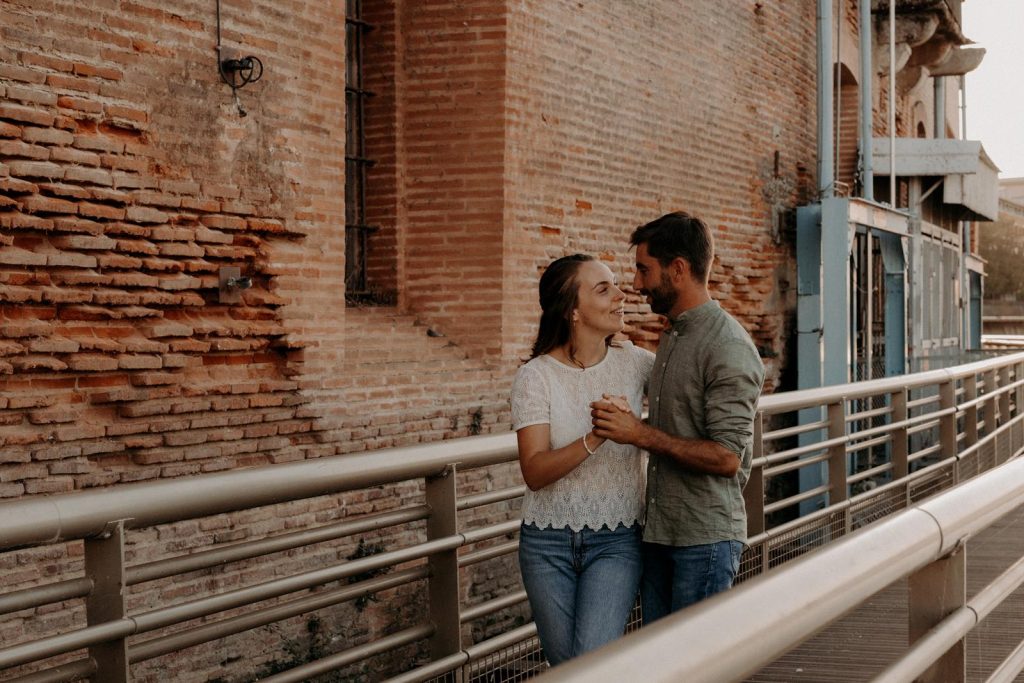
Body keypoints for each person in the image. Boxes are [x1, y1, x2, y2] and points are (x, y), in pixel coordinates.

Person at [591, 211, 765, 624]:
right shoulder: (673, 332)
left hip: (703, 541)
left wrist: (640, 434)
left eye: (643, 270)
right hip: (661, 533)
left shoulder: (729, 346)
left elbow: (727, 458)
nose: (636, 284)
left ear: (679, 269)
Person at [511, 253, 655, 665]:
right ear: (573, 310)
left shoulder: (637, 363)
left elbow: (692, 392)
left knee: (589, 664)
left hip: (618, 539)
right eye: (603, 288)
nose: (621, 295)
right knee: (567, 670)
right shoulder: (535, 376)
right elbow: (535, 471)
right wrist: (596, 436)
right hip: (545, 544)